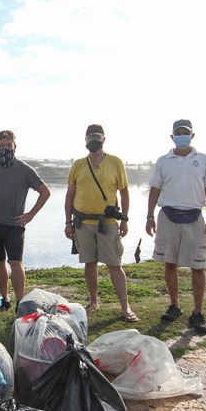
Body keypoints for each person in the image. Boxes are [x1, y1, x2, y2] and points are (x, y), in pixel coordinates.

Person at [146, 118, 206, 335]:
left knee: (198, 266)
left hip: (194, 217)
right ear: (172, 136)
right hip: (168, 216)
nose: (182, 136)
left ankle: (197, 312)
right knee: (170, 263)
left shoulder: (203, 160)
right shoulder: (163, 161)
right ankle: (174, 305)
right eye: (178, 133)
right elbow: (154, 189)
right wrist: (149, 216)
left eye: (185, 133)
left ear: (192, 135)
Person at [0, 130, 50, 310]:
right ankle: (4, 298)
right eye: (2, 146)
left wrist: (30, 214)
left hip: (14, 224)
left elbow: (45, 192)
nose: (5, 148)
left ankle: (20, 301)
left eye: (8, 145)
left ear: (15, 146)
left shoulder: (25, 170)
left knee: (15, 262)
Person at [64, 124, 137, 321]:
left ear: (104, 138)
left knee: (114, 264)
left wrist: (125, 220)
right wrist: (67, 222)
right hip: (82, 223)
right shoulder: (78, 165)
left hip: (109, 222)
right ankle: (93, 300)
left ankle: (125, 306)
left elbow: (124, 192)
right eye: (90, 137)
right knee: (90, 263)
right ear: (85, 140)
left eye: (97, 136)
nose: (94, 140)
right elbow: (70, 194)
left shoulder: (115, 162)